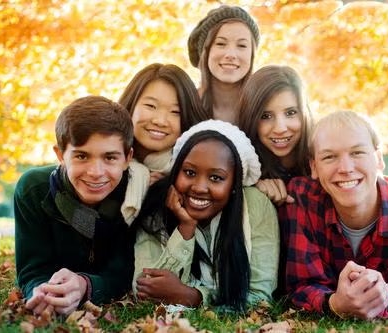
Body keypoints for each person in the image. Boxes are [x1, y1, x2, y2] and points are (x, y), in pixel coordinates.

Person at [279, 111, 388, 319]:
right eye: (329, 157)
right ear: (314, 166)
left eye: (357, 153)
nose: (346, 168)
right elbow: (301, 284)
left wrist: (377, 300)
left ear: (378, 159)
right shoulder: (302, 198)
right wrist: (334, 304)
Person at [133, 119, 279, 311]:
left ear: (234, 184)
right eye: (189, 172)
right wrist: (185, 230)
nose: (200, 187)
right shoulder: (156, 207)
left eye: (216, 178)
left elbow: (259, 298)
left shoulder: (256, 206)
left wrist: (193, 297)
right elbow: (146, 290)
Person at [14, 96, 136, 316]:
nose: (96, 172)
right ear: (60, 155)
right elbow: (32, 268)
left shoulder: (134, 197)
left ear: (127, 158)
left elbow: (124, 272)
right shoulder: (33, 190)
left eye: (110, 158)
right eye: (81, 156)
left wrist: (85, 286)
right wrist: (40, 292)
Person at [118, 63, 212, 224]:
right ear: (131, 104)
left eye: (176, 112)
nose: (160, 121)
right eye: (151, 106)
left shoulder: (195, 180)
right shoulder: (101, 165)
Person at [238, 65, 313, 206]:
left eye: (290, 113)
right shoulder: (241, 169)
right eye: (266, 116)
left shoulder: (323, 158)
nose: (280, 128)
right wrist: (253, 190)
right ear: (251, 119)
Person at [187, 4, 260, 124]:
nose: (231, 54)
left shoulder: (266, 107)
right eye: (221, 44)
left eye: (241, 45)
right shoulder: (185, 106)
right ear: (205, 52)